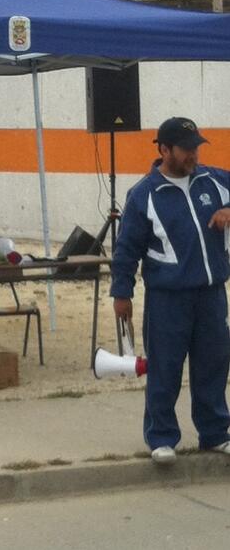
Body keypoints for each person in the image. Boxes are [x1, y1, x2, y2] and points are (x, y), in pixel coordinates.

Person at [111, 117, 230, 465]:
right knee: (165, 368)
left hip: (211, 294)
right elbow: (126, 249)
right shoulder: (143, 195)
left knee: (213, 365)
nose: (193, 154)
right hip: (167, 298)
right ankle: (162, 437)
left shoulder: (215, 181)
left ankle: (216, 433)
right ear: (164, 149)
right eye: (186, 148)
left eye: (196, 147)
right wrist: (122, 293)